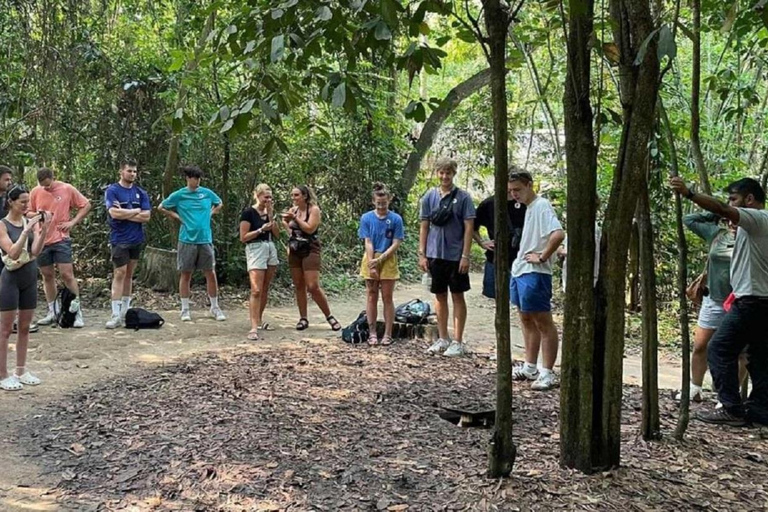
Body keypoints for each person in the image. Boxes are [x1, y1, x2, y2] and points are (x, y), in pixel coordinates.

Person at [671, 176, 768, 427]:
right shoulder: (753, 226)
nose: (730, 206)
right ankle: (760, 410)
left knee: (719, 348)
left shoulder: (757, 219)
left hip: (752, 302)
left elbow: (722, 210)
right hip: (758, 301)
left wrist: (690, 193)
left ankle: (731, 408)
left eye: (735, 199)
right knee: (758, 356)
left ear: (749, 199)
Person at [508, 171, 565, 391]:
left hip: (536, 272)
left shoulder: (541, 205)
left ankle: (547, 371)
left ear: (530, 185)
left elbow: (558, 234)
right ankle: (530, 366)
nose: (515, 195)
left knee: (543, 321)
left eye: (518, 190)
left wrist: (542, 256)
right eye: (511, 191)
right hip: (520, 270)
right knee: (525, 319)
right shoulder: (528, 208)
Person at [681, 212, 742, 402]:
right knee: (701, 345)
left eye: (737, 217)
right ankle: (695, 388)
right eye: (730, 216)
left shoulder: (755, 237)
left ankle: (727, 396)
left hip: (740, 302)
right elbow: (688, 220)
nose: (733, 222)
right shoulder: (717, 234)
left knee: (740, 352)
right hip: (713, 299)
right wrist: (717, 210)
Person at [419, 157, 476, 357]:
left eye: (448, 173)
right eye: (441, 172)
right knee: (439, 295)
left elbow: (469, 227)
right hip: (435, 254)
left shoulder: (464, 198)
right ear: (437, 173)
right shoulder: (429, 197)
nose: (445, 176)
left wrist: (465, 255)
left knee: (458, 296)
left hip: (455, 255)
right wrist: (422, 254)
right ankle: (443, 338)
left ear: (454, 173)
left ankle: (458, 341)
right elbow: (424, 225)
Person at [158, 165, 226, 322]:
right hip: (187, 239)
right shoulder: (179, 195)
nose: (197, 181)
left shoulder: (207, 193)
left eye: (199, 178)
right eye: (194, 178)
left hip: (205, 239)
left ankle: (215, 307)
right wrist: (176, 216)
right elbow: (162, 207)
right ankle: (185, 309)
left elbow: (219, 203)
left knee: (210, 272)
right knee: (186, 273)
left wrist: (212, 212)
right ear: (188, 178)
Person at [0, 186, 50, 390]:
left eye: (28, 202)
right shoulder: (2, 225)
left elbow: (35, 251)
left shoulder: (29, 221)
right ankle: (2, 374)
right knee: (5, 330)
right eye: (22, 202)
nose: (26, 206)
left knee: (25, 327)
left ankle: (20, 370)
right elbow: (11, 252)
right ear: (11, 202)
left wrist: (44, 228)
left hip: (29, 276)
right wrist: (26, 230)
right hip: (10, 279)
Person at [30, 168, 91, 328]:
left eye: (48, 185)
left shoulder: (67, 189)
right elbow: (28, 212)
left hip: (61, 239)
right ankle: (53, 311)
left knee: (67, 274)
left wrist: (72, 222)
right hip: (42, 239)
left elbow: (86, 205)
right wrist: (40, 216)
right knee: (47, 275)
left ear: (53, 178)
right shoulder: (35, 192)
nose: (46, 189)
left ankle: (76, 312)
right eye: (43, 186)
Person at [281, 185, 341, 332]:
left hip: (310, 248)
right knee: (298, 284)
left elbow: (310, 228)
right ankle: (303, 318)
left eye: (296, 195)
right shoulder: (292, 210)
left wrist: (295, 218)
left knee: (312, 286)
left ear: (305, 196)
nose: (293, 198)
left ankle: (329, 316)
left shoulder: (313, 210)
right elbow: (285, 223)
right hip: (295, 249)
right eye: (292, 195)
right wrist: (290, 231)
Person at [104, 159, 151, 329]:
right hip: (119, 239)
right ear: (121, 172)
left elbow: (146, 216)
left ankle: (125, 311)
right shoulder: (112, 191)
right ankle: (115, 313)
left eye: (134, 171)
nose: (132, 174)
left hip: (136, 239)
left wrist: (126, 214)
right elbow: (114, 213)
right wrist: (134, 211)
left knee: (129, 275)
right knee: (119, 273)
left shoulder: (141, 193)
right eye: (129, 171)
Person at [359, 183, 405, 346]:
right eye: (378, 202)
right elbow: (368, 241)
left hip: (388, 259)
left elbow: (396, 242)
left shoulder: (395, 219)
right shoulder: (366, 218)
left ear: (389, 200)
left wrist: (381, 259)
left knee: (387, 297)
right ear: (373, 201)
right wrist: (372, 263)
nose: (381, 205)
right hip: (371, 257)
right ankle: (372, 333)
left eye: (384, 202)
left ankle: (388, 333)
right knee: (371, 295)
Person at [473, 174, 526, 299]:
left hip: (521, 258)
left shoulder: (524, 203)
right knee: (496, 296)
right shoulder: (489, 204)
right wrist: (482, 242)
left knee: (522, 298)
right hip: (495, 257)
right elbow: (473, 226)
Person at [240, 184, 280, 341]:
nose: (268, 200)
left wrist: (271, 216)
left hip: (270, 248)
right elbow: (243, 237)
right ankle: (253, 326)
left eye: (270, 197)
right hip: (255, 248)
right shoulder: (248, 213)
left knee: (264, 287)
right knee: (256, 289)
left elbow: (276, 234)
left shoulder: (269, 213)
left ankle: (260, 319)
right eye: (266, 197)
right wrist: (260, 230)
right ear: (258, 196)